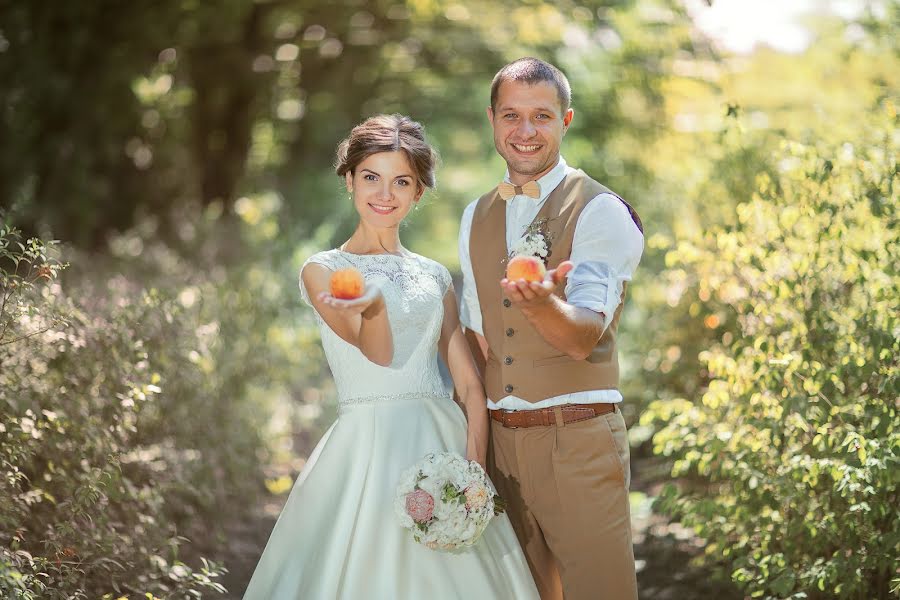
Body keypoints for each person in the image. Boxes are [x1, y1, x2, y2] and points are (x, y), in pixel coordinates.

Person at [242, 114, 539, 599]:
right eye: (371, 178)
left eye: (402, 181)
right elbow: (376, 354)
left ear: (418, 191)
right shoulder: (323, 271)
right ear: (349, 180)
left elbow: (467, 383)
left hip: (443, 439)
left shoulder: (435, 276)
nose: (385, 194)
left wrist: (473, 471)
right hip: (368, 449)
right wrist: (374, 303)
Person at [457, 58, 644, 600]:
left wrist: (540, 304)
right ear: (492, 120)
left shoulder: (601, 211)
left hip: (578, 442)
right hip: (502, 448)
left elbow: (583, 334)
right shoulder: (476, 215)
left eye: (541, 116)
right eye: (511, 116)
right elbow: (479, 338)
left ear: (565, 120)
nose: (525, 131)